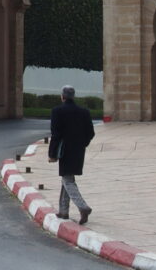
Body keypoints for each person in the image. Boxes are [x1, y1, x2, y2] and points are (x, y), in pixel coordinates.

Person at [47, 85, 96, 223]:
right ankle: (63, 211)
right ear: (73, 96)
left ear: (62, 96)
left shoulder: (57, 111)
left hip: (64, 150)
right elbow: (91, 133)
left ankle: (83, 206)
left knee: (67, 180)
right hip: (79, 150)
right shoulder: (84, 111)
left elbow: (56, 134)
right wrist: (82, 144)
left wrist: (52, 153)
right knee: (67, 177)